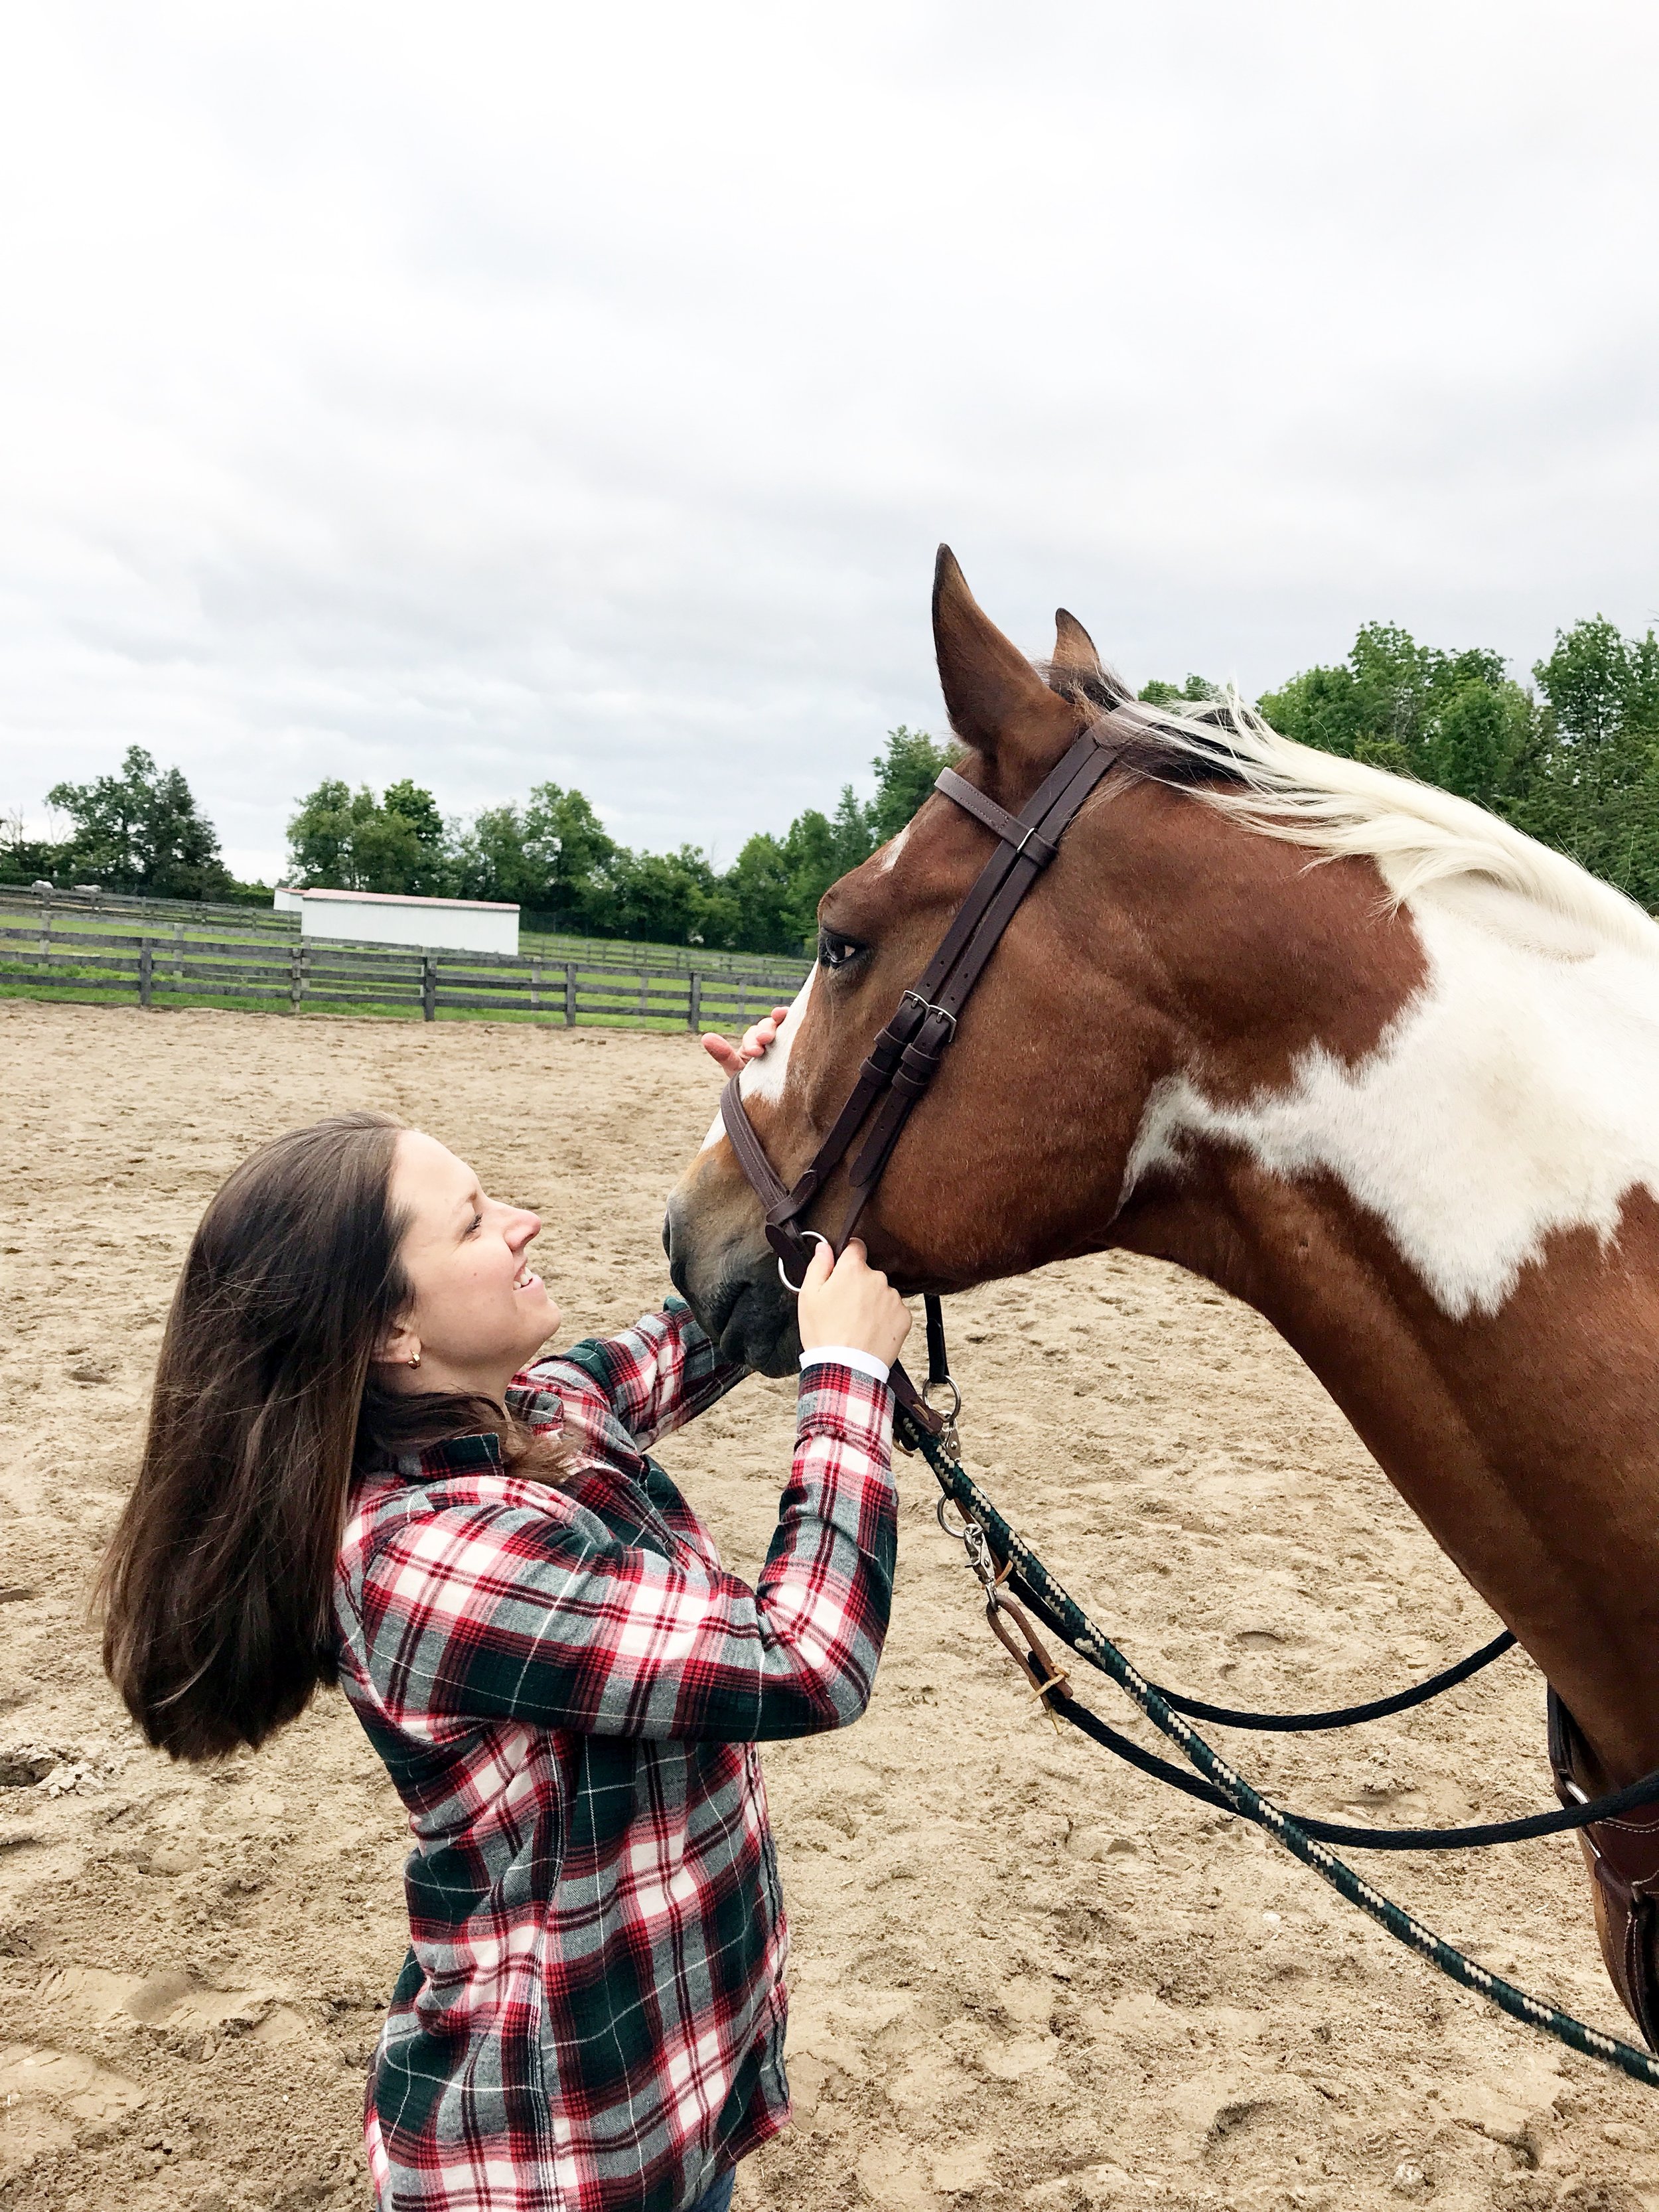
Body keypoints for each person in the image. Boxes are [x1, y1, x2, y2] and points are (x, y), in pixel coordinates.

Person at [99, 1013, 910, 2212]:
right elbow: (804, 1658)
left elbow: (722, 1307)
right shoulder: (422, 1557)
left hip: (658, 2095)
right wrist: (849, 1382)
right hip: (546, 2161)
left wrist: (793, 1127)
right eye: (476, 1221)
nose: (524, 1221)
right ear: (389, 1329)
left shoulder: (523, 1408)